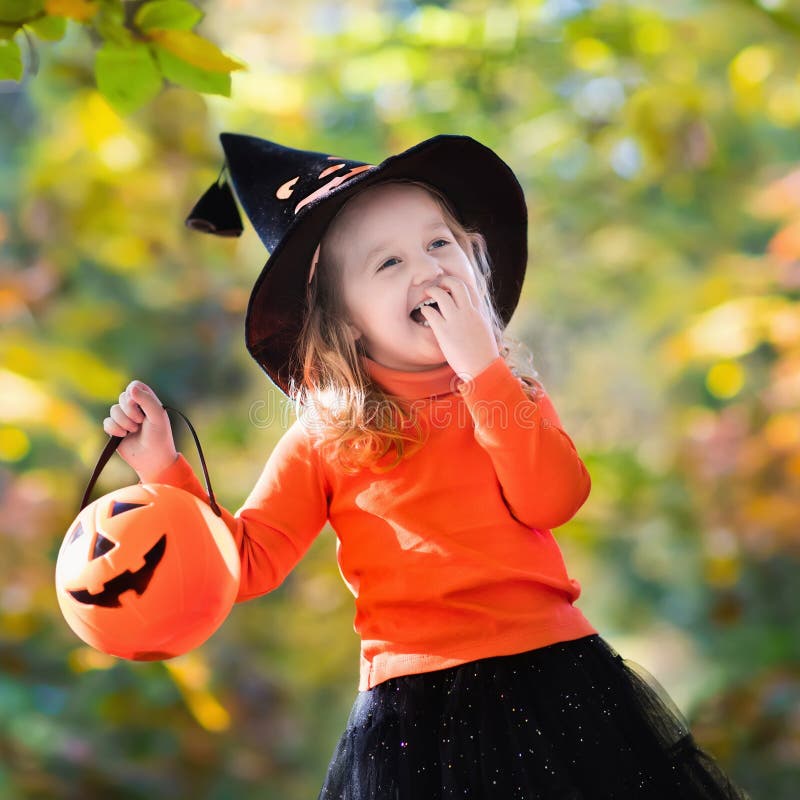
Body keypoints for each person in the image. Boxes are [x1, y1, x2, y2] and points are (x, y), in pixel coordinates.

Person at [104, 133, 751, 799]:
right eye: (388, 263)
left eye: (439, 244)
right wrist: (164, 470)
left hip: (555, 681)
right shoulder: (325, 436)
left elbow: (552, 500)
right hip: (412, 714)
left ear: (474, 263)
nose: (428, 269)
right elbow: (245, 562)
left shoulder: (511, 395)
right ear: (345, 322)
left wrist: (483, 373)